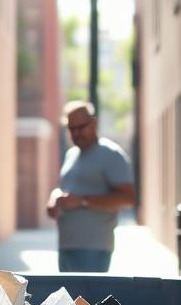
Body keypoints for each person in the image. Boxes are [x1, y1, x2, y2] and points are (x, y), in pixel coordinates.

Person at [45, 101, 136, 272]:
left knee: (87, 299)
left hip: (94, 249)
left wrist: (82, 201)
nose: (77, 133)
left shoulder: (111, 154)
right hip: (66, 246)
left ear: (93, 123)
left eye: (81, 127)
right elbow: (66, 188)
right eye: (72, 129)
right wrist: (54, 197)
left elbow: (128, 198)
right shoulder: (71, 154)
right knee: (69, 299)